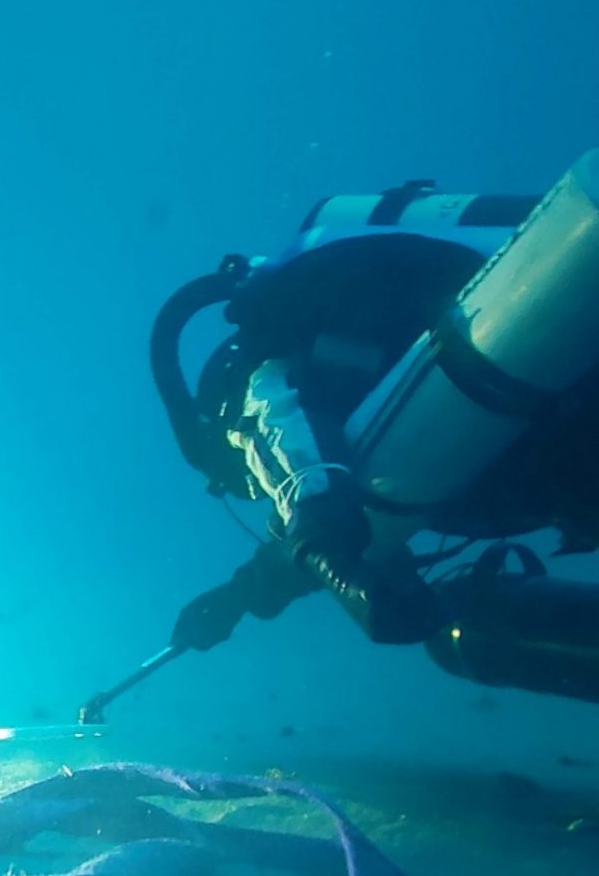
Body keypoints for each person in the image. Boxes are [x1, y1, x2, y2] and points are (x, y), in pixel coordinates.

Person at [152, 160, 599, 668]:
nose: (265, 498)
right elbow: (308, 527)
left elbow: (299, 473)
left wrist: (343, 574)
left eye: (251, 485)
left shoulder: (248, 389)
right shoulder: (344, 366)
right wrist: (235, 599)